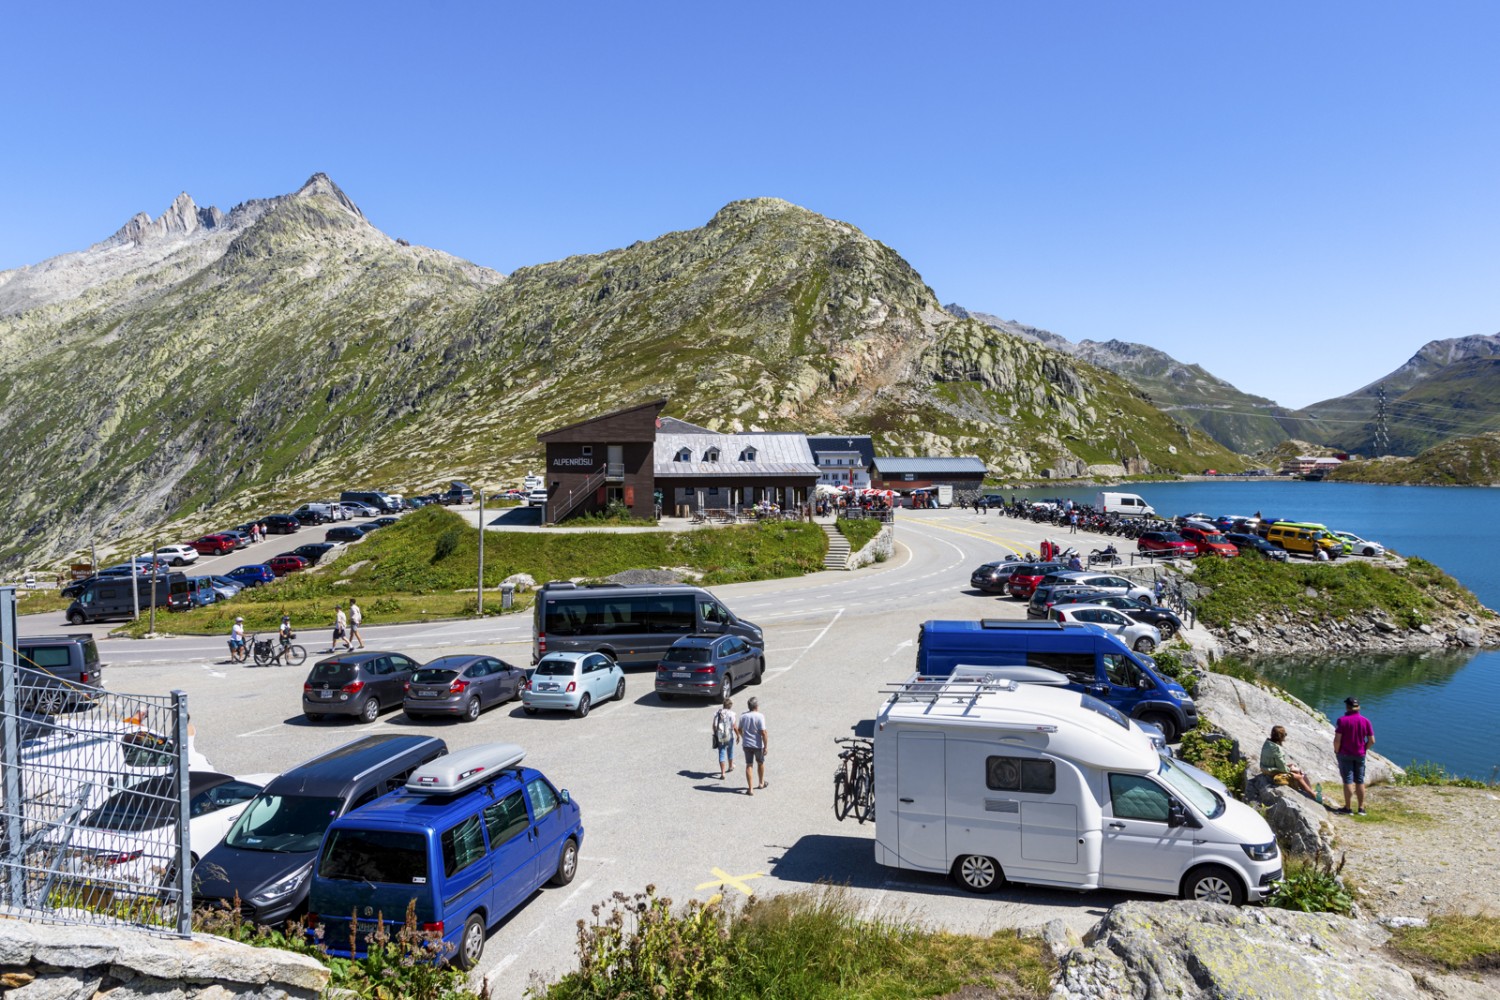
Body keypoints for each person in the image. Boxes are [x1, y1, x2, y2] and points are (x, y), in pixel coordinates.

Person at [1333, 697, 1375, 815]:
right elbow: (1372, 740)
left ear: (1347, 707)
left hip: (1345, 753)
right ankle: (1361, 808)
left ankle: (1348, 808)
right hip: (1360, 754)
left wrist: (1337, 751)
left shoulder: (1342, 720)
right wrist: (1364, 749)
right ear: (1359, 707)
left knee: (1347, 781)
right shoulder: (1366, 721)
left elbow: (1337, 740)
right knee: (1360, 781)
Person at [1260, 725, 1317, 799]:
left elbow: (1273, 761)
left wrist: (1288, 766)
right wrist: (1290, 769)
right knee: (1299, 776)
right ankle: (1313, 794)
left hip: (1265, 768)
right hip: (1271, 773)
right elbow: (1282, 769)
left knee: (1295, 769)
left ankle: (1309, 790)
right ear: (1281, 737)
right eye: (1285, 735)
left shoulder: (1267, 743)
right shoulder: (1277, 750)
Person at [737, 696, 768, 795]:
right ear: (756, 706)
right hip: (758, 744)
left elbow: (739, 729)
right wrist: (766, 746)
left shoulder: (743, 716)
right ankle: (761, 783)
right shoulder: (760, 716)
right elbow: (763, 732)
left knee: (749, 765)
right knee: (760, 762)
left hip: (747, 744)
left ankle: (750, 789)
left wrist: (743, 737)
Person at [713, 696, 738, 779]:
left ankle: (723, 773)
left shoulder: (718, 713)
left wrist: (715, 733)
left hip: (720, 734)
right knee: (730, 750)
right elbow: (734, 726)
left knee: (721, 752)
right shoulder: (732, 714)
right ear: (730, 706)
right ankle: (731, 766)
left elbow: (714, 725)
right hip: (729, 734)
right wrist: (738, 735)